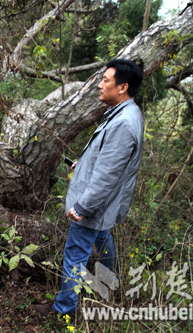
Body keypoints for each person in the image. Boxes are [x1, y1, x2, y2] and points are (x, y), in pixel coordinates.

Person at [37, 59, 144, 315]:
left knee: (75, 254)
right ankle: (113, 284)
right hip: (103, 205)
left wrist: (83, 206)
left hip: (95, 204)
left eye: (105, 80)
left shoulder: (123, 124)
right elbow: (109, 161)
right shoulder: (126, 114)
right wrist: (82, 164)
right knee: (103, 238)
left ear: (122, 87)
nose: (99, 84)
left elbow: (107, 176)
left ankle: (64, 310)